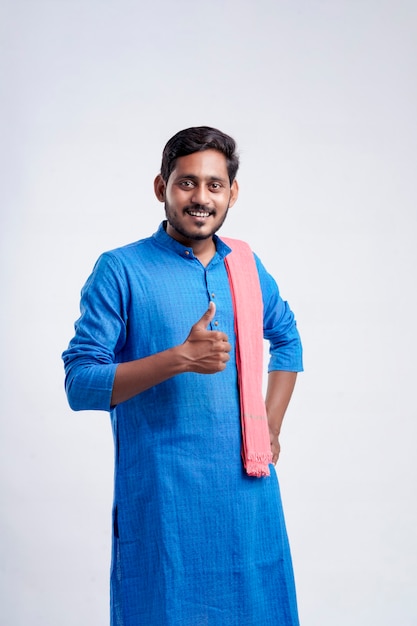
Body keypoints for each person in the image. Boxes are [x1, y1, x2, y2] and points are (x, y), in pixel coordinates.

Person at [62, 126, 303, 626]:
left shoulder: (246, 267)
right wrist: (178, 359)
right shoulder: (121, 270)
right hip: (164, 501)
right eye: (186, 183)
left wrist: (271, 425)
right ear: (161, 187)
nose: (201, 198)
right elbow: (80, 383)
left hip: (248, 492)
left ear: (232, 193)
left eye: (215, 185)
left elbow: (287, 339)